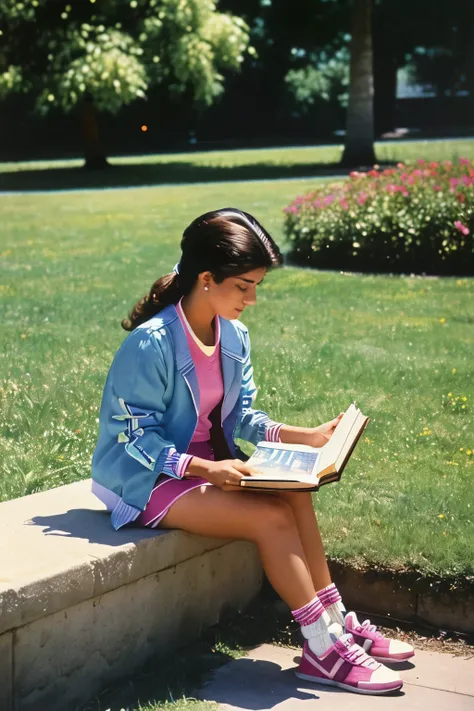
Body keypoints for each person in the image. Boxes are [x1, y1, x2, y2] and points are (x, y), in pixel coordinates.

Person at [91, 207, 414, 695]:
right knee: (271, 519)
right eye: (244, 286)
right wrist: (203, 467)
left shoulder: (233, 336)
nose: (253, 299)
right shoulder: (151, 343)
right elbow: (131, 436)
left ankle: (335, 623)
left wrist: (306, 436)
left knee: (295, 496)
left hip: (208, 466)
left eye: (256, 285)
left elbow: (242, 418)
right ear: (206, 278)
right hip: (147, 477)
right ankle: (321, 648)